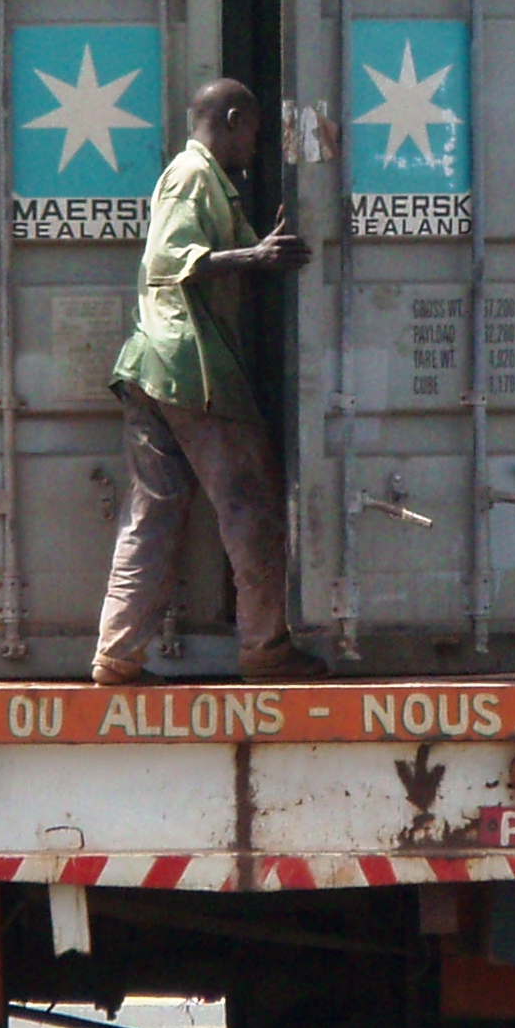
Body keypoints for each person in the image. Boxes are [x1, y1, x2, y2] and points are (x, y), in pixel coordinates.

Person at [93, 78, 322, 684]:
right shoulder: (192, 174)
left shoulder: (214, 184)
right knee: (250, 506)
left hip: (153, 369)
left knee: (154, 514)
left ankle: (117, 654)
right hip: (189, 367)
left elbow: (229, 254)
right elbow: (170, 263)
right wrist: (257, 257)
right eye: (253, 133)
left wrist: (258, 247)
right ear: (232, 119)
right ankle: (266, 649)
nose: (255, 147)